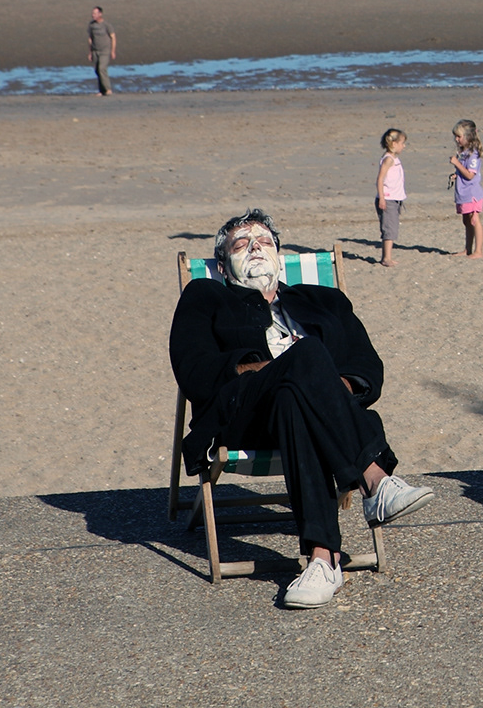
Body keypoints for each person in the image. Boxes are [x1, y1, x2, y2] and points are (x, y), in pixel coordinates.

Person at [170, 209, 434, 607]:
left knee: (296, 396)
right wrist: (275, 369)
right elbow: (193, 371)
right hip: (241, 413)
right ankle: (374, 480)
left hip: (307, 415)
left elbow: (367, 367)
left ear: (280, 254)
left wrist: (323, 387)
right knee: (307, 353)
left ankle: (323, 562)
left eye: (265, 242)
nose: (256, 248)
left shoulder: (323, 300)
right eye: (242, 244)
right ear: (223, 266)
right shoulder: (206, 297)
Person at [449, 119, 483, 258]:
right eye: (455, 136)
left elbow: (470, 174)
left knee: (474, 220)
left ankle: (478, 251)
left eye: (459, 136)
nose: (457, 139)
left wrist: (456, 164)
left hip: (472, 193)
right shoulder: (464, 152)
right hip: (462, 193)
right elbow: (464, 173)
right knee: (466, 221)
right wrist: (456, 175)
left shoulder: (473, 154)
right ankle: (467, 249)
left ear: (468, 136)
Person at [376, 129, 407, 266]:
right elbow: (380, 179)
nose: (404, 146)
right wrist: (382, 197)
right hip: (387, 199)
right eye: (402, 143)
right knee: (389, 228)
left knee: (392, 227)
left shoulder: (394, 158)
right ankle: (386, 257)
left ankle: (388, 256)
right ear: (394, 144)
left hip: (395, 198)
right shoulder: (388, 159)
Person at [87, 6, 116, 96]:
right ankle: (101, 90)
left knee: (102, 69)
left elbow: (113, 37)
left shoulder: (106, 25)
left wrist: (113, 51)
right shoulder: (91, 25)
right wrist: (90, 52)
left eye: (95, 13)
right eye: (93, 13)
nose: (93, 15)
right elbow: (90, 38)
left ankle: (108, 89)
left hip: (105, 51)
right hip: (95, 51)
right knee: (97, 70)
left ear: (100, 14)